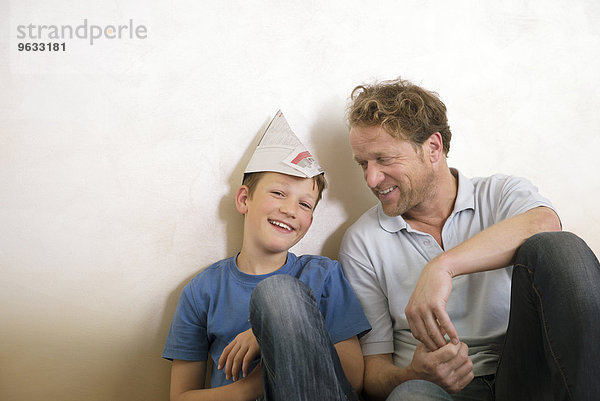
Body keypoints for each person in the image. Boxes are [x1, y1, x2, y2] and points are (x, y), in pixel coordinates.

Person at [338, 78, 600, 401]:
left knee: (562, 248)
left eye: (384, 159)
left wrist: (442, 266)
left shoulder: (499, 195)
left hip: (521, 377)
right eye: (363, 164)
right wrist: (413, 375)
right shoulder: (362, 241)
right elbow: (372, 374)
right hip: (434, 389)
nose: (371, 178)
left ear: (433, 148)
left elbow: (546, 224)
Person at [162, 110, 371, 401]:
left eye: (305, 204)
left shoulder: (323, 276)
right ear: (244, 199)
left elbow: (353, 379)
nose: (290, 210)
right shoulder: (203, 291)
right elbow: (181, 397)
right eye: (278, 193)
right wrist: (260, 378)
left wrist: (276, 333)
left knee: (279, 295)